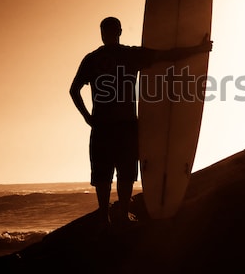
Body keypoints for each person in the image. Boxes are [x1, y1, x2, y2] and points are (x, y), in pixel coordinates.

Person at [70, 16, 212, 225]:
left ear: (102, 33)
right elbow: (169, 56)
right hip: (125, 125)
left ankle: (103, 218)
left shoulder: (92, 59)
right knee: (125, 172)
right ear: (119, 32)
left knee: (103, 174)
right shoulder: (129, 55)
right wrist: (198, 49)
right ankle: (123, 213)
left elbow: (74, 90)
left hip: (101, 126)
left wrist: (88, 117)